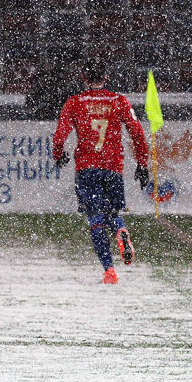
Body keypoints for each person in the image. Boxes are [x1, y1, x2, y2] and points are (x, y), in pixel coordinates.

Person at [52, 57, 151, 285]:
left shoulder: (74, 102)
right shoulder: (119, 100)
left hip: (87, 168)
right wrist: (142, 164)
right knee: (113, 214)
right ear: (105, 77)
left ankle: (109, 271)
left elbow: (60, 135)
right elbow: (137, 133)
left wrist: (59, 153)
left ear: (84, 78)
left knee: (96, 220)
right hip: (113, 167)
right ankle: (120, 230)